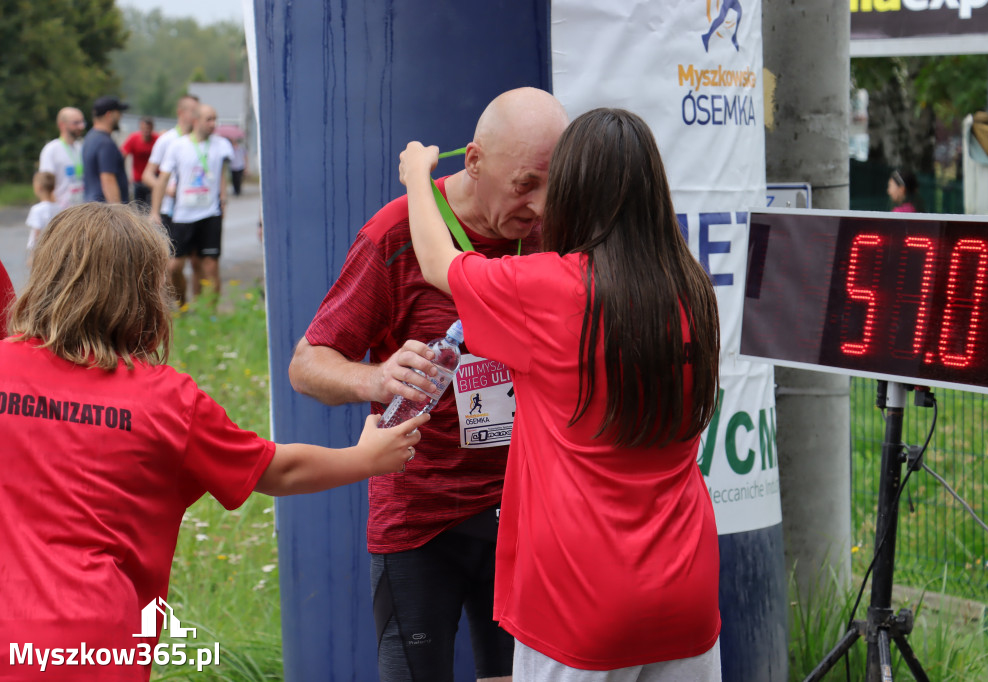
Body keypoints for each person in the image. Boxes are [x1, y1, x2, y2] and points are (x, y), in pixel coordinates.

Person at [0, 202, 428, 681]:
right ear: (141, 294)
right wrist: (364, 458)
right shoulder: (165, 400)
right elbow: (276, 469)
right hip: (93, 646)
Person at [398, 108, 723, 680]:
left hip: (579, 604)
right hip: (686, 593)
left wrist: (417, 178)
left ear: (572, 192)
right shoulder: (691, 287)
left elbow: (436, 262)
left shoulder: (551, 288)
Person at [288, 87, 568, 682]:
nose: (540, 207)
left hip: (524, 511)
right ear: (473, 160)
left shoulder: (555, 234)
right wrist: (376, 376)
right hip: (420, 518)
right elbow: (307, 363)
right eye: (524, 185)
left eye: (554, 185)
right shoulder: (395, 234)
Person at [150, 104, 233, 303]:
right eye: (209, 119)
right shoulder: (178, 145)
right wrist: (155, 211)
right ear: (196, 121)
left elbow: (221, 173)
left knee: (210, 265)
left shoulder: (221, 145)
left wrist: (223, 200)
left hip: (210, 213)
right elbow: (162, 179)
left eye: (215, 119)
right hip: (183, 214)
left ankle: (210, 314)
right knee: (174, 267)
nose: (213, 124)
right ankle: (183, 304)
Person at [143, 95, 200, 302]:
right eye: (193, 110)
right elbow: (147, 175)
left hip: (195, 208)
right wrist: (165, 189)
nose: (197, 115)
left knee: (198, 263)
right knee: (173, 264)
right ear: (181, 112)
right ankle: (179, 303)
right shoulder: (167, 140)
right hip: (170, 209)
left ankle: (200, 308)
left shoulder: (200, 139)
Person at [82, 96, 131, 204]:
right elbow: (108, 179)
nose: (120, 116)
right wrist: (119, 214)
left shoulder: (90, 137)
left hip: (92, 207)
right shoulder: (105, 143)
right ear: (109, 115)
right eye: (118, 113)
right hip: (104, 211)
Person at [38, 107, 87, 210]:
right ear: (62, 125)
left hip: (80, 211)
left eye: (82, 122)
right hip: (61, 212)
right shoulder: (51, 150)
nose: (81, 126)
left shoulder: (81, 147)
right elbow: (46, 185)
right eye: (76, 123)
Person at [121, 116, 160, 209]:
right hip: (138, 180)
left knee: (152, 207)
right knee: (139, 208)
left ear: (152, 128)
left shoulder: (158, 139)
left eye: (148, 128)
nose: (146, 131)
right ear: (140, 128)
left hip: (153, 179)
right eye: (144, 128)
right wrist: (123, 175)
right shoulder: (134, 138)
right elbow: (123, 155)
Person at [25, 171, 58, 261]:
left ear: (38, 187)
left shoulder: (37, 209)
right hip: (56, 248)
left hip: (41, 250)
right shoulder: (59, 207)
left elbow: (36, 233)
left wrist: (32, 255)